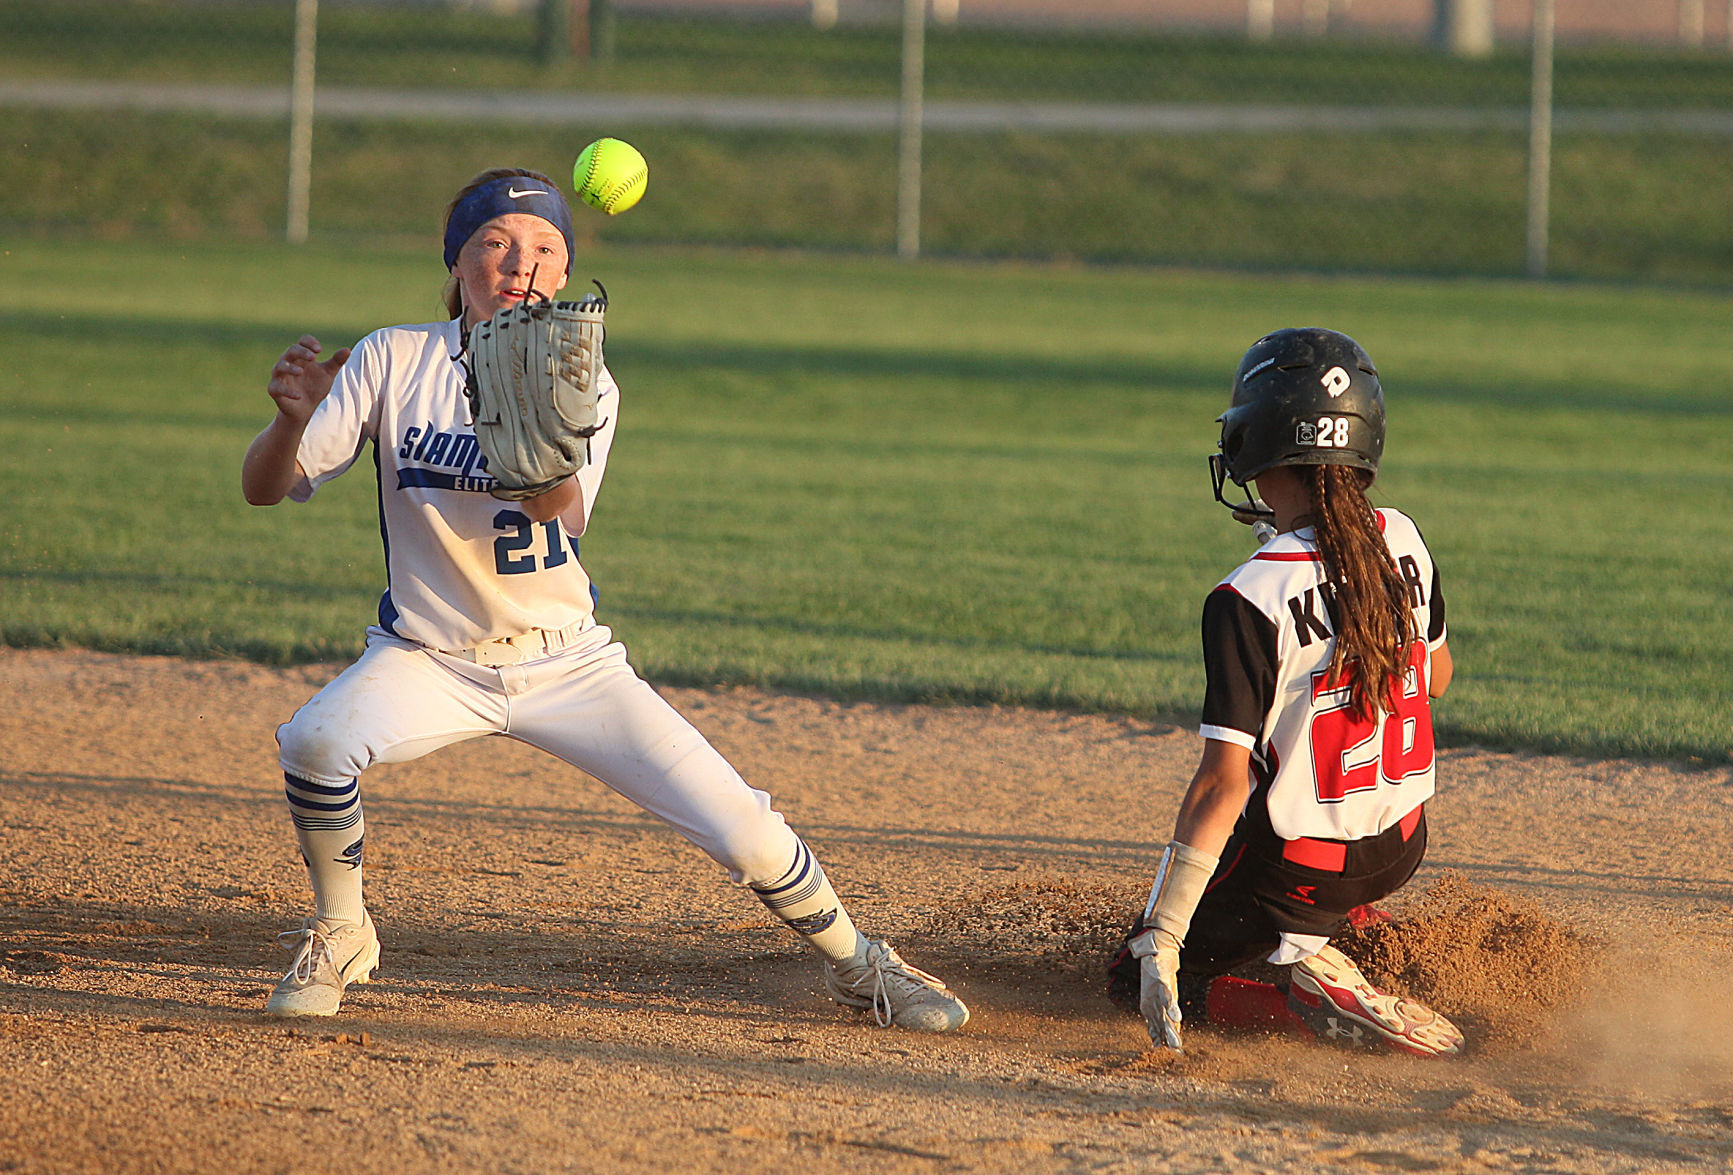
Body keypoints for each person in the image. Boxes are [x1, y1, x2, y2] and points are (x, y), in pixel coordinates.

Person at [240, 166, 969, 1033]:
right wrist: (290, 420)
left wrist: (539, 422)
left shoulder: (580, 372)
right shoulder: (394, 357)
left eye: (546, 247)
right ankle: (342, 928)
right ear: (457, 261)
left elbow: (562, 512)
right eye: (496, 243)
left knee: (741, 827)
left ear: (564, 268)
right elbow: (263, 488)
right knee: (316, 739)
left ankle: (858, 963)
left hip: (568, 662)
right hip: (428, 658)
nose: (522, 262)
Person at [1108, 327, 1464, 1057]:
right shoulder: (1402, 538)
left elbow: (1220, 785)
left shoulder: (1250, 593)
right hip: (1401, 845)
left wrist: (1163, 934)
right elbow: (1434, 674)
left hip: (1301, 869)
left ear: (1260, 442)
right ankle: (1343, 925)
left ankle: (1296, 986)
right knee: (1302, 758)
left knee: (1130, 977)